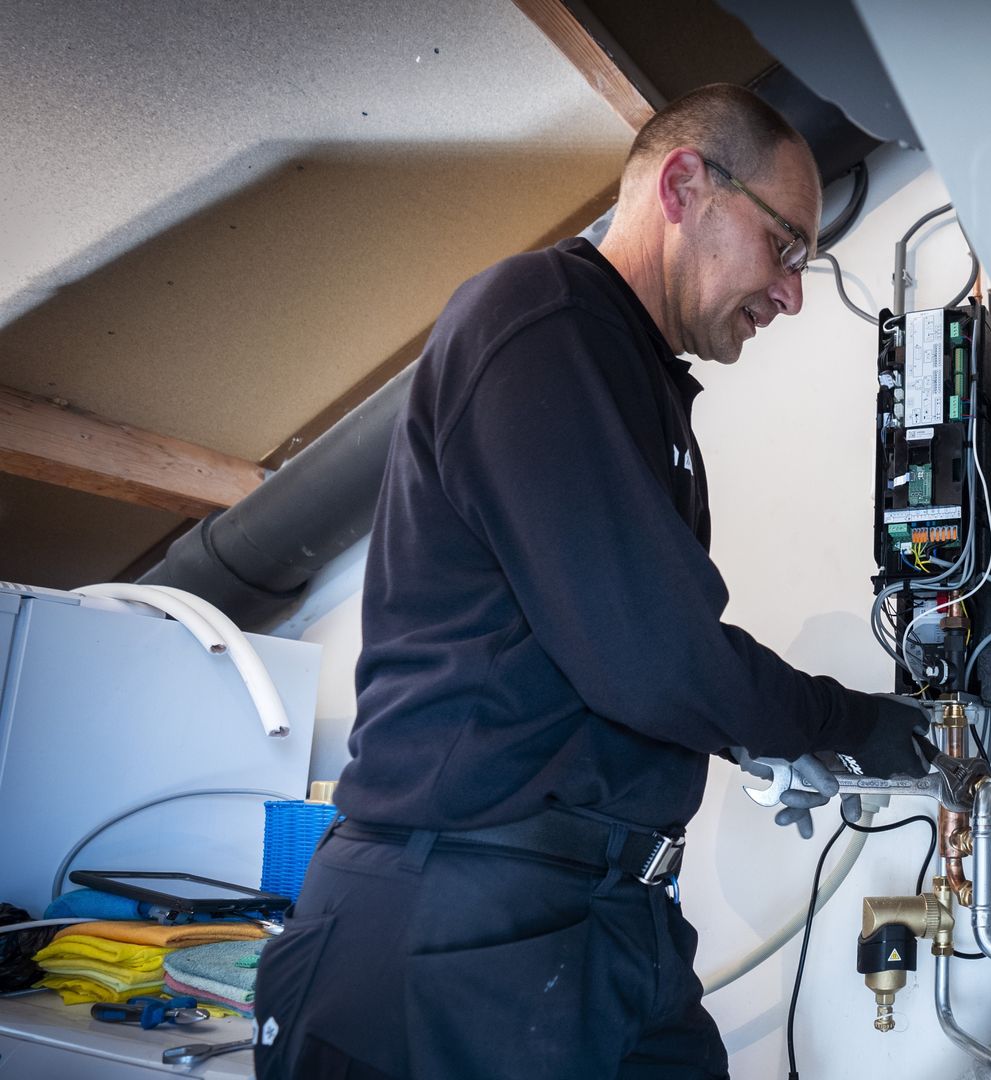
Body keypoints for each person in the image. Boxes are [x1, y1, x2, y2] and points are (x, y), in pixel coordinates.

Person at [253, 84, 930, 1080]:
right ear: (684, 184)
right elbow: (660, 660)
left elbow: (632, 660)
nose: (793, 292)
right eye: (785, 247)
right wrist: (866, 726)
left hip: (596, 923)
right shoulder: (541, 321)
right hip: (458, 929)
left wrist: (772, 732)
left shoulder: (634, 378)